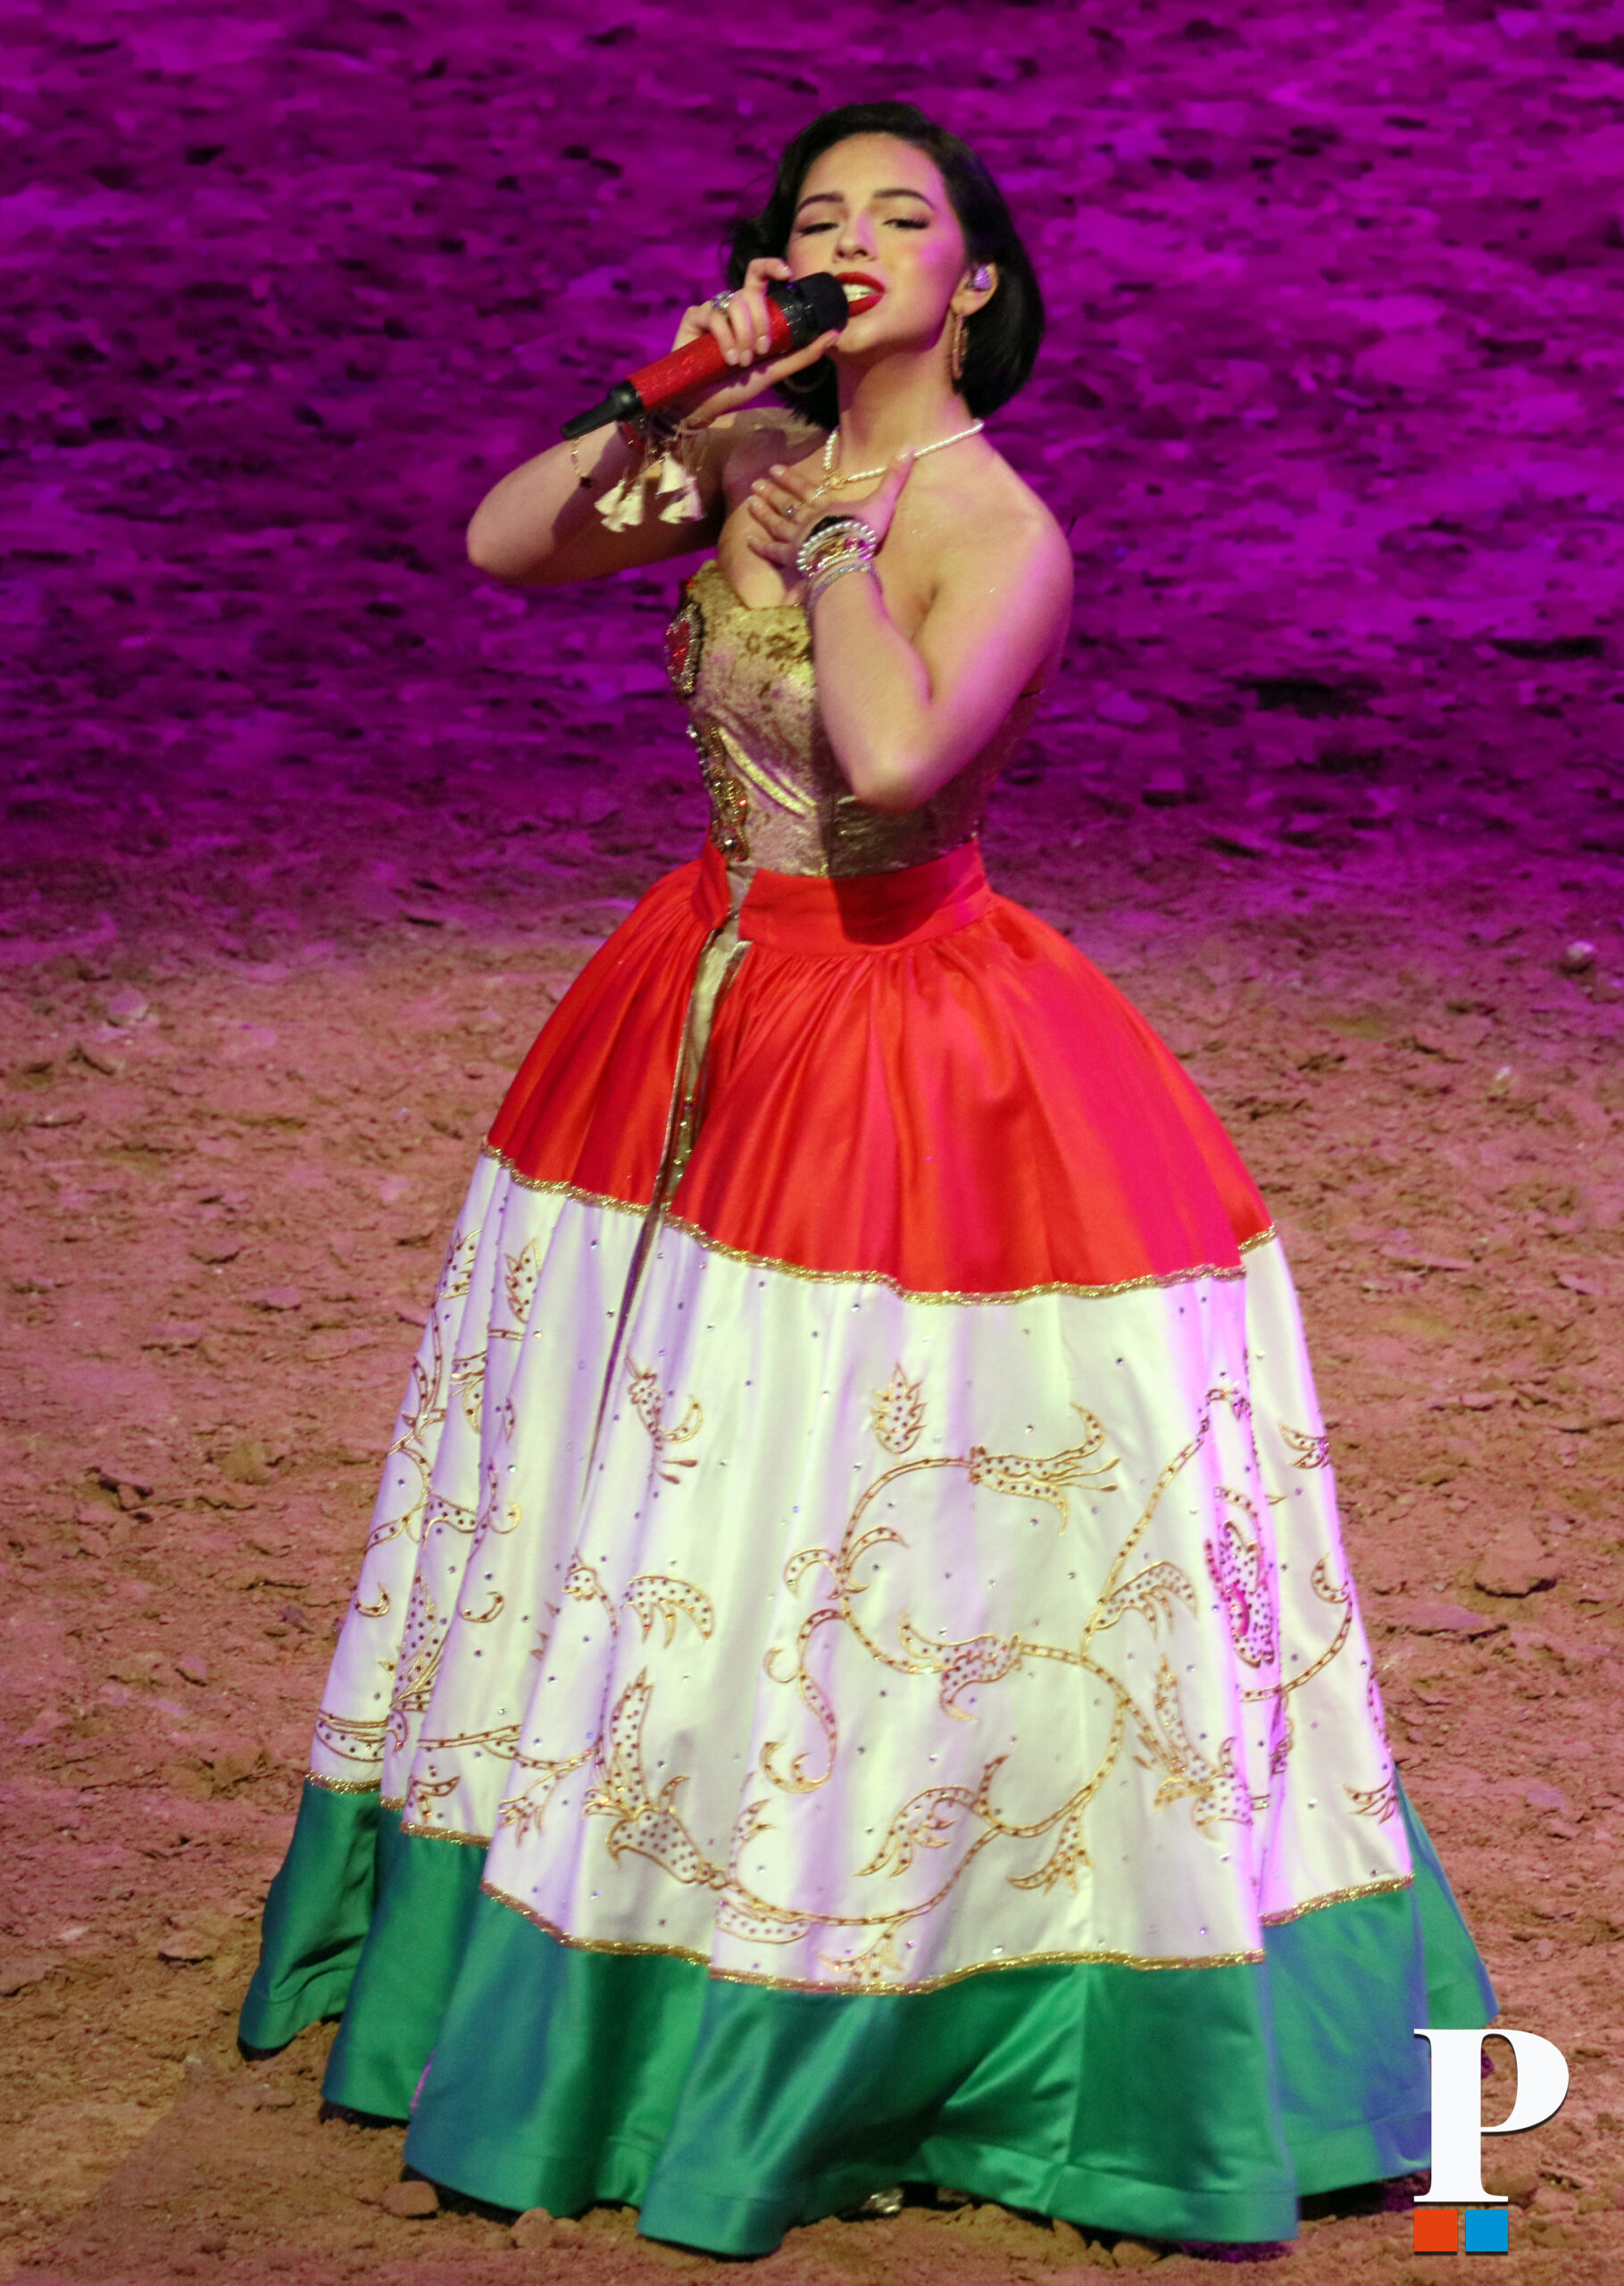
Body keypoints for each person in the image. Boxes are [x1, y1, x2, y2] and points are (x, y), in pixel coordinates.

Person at [239, 101, 1493, 2258]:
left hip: (899, 1046)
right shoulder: (745, 444)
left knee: (835, 1502)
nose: (854, 238)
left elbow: (896, 758)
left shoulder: (997, 526)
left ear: (972, 285)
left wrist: (824, 542)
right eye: (818, 216)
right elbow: (508, 542)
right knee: (664, 1498)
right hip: (688, 1009)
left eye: (901, 217)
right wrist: (683, 403)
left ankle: (894, 1996)